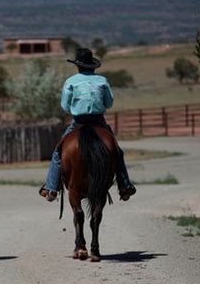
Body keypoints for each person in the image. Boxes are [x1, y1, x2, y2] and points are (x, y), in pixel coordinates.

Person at [39, 48, 136, 202]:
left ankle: (51, 188)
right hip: (98, 121)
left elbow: (65, 105)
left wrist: (76, 106)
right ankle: (124, 186)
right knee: (117, 152)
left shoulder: (70, 82)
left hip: (78, 122)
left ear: (77, 66)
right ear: (92, 66)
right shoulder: (103, 81)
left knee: (58, 152)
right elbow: (109, 103)